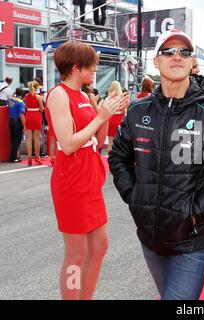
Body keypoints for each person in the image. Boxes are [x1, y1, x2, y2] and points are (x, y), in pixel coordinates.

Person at [108, 29, 204, 300]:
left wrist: (196, 214)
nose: (177, 56)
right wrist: (135, 197)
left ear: (191, 61)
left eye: (184, 52)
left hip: (192, 240)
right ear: (156, 61)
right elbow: (118, 158)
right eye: (168, 51)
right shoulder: (138, 111)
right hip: (149, 237)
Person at [45, 41, 127, 300]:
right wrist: (100, 117)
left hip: (90, 179)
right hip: (71, 182)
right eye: (91, 65)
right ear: (76, 66)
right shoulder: (59, 94)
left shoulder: (83, 95)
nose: (95, 69)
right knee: (76, 252)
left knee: (100, 246)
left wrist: (110, 110)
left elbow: (98, 140)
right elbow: (68, 144)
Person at [24, 81, 44, 166]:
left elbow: (26, 107)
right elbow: (42, 109)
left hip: (28, 116)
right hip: (36, 116)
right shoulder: (38, 97)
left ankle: (29, 158)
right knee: (36, 138)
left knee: (29, 138)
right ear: (36, 88)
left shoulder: (26, 96)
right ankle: (37, 157)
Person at [7, 88, 26, 163]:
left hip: (11, 121)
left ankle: (14, 156)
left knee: (13, 139)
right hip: (17, 122)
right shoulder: (21, 102)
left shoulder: (11, 100)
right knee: (17, 141)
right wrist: (24, 125)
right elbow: (21, 115)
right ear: (22, 94)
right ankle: (13, 157)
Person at [107, 81, 126, 154]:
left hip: (110, 119)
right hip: (119, 119)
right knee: (119, 142)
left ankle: (109, 159)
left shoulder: (109, 98)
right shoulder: (121, 98)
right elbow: (123, 112)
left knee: (110, 142)